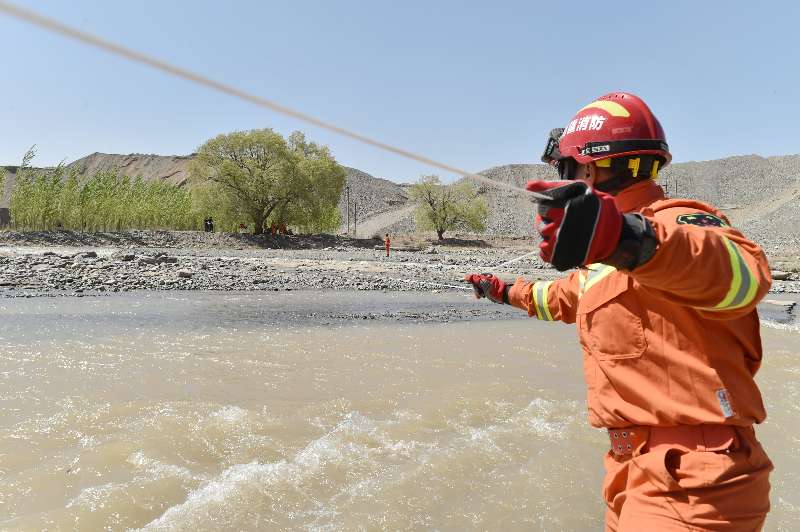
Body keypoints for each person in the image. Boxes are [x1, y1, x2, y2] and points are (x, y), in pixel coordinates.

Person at [465, 92, 773, 531]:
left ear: (589, 170)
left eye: (566, 170)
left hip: (692, 479)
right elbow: (561, 298)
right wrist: (501, 290)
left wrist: (627, 239)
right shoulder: (602, 259)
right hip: (632, 472)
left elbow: (745, 277)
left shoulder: (677, 223)